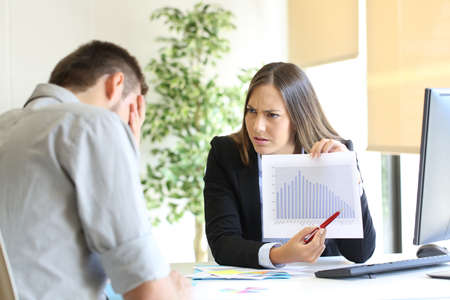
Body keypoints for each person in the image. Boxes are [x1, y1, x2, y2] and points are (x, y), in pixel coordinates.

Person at [0, 41, 191, 300]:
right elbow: (149, 293)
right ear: (116, 84)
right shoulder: (93, 125)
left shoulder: (6, 126)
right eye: (134, 112)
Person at [203, 62, 376, 269]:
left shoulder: (335, 153)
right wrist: (280, 255)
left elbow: (360, 254)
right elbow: (223, 244)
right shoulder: (226, 154)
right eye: (251, 111)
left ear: (298, 117)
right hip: (257, 287)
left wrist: (349, 182)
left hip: (320, 285)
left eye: (271, 115)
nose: (257, 126)